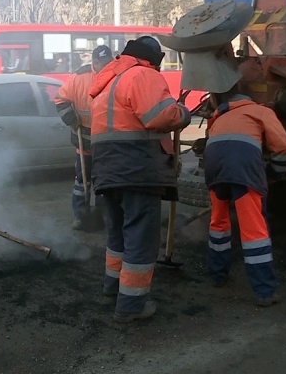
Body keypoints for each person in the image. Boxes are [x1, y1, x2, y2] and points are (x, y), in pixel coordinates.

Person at [88, 36, 191, 322]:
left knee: (118, 235)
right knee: (141, 238)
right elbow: (160, 116)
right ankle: (131, 306)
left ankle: (113, 287)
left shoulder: (108, 79)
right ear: (153, 59)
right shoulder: (142, 75)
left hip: (108, 171)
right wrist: (182, 112)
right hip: (137, 170)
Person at [185, 45, 286, 307]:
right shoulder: (261, 111)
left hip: (215, 170)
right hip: (243, 172)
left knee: (219, 223)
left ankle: (218, 275)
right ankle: (264, 291)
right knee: (254, 230)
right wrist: (273, 174)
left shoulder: (218, 116)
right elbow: (284, 147)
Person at [55, 45, 113, 231]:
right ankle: (81, 216)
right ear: (94, 62)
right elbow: (60, 100)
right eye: (102, 64)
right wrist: (71, 120)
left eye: (108, 63)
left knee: (105, 182)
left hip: (107, 142)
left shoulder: (116, 76)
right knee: (82, 183)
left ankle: (106, 217)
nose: (106, 67)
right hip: (85, 142)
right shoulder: (79, 78)